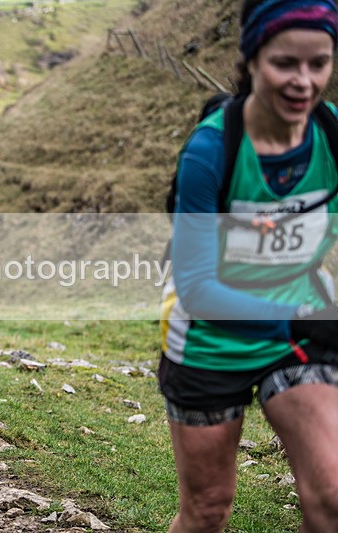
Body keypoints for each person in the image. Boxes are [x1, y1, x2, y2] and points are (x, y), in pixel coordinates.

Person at [160, 1, 338, 530]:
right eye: (285, 63)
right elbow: (197, 288)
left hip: (301, 328)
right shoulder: (211, 150)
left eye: (319, 63)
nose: (304, 81)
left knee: (332, 497)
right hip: (211, 339)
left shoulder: (330, 134)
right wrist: (301, 317)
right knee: (207, 510)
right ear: (253, 59)